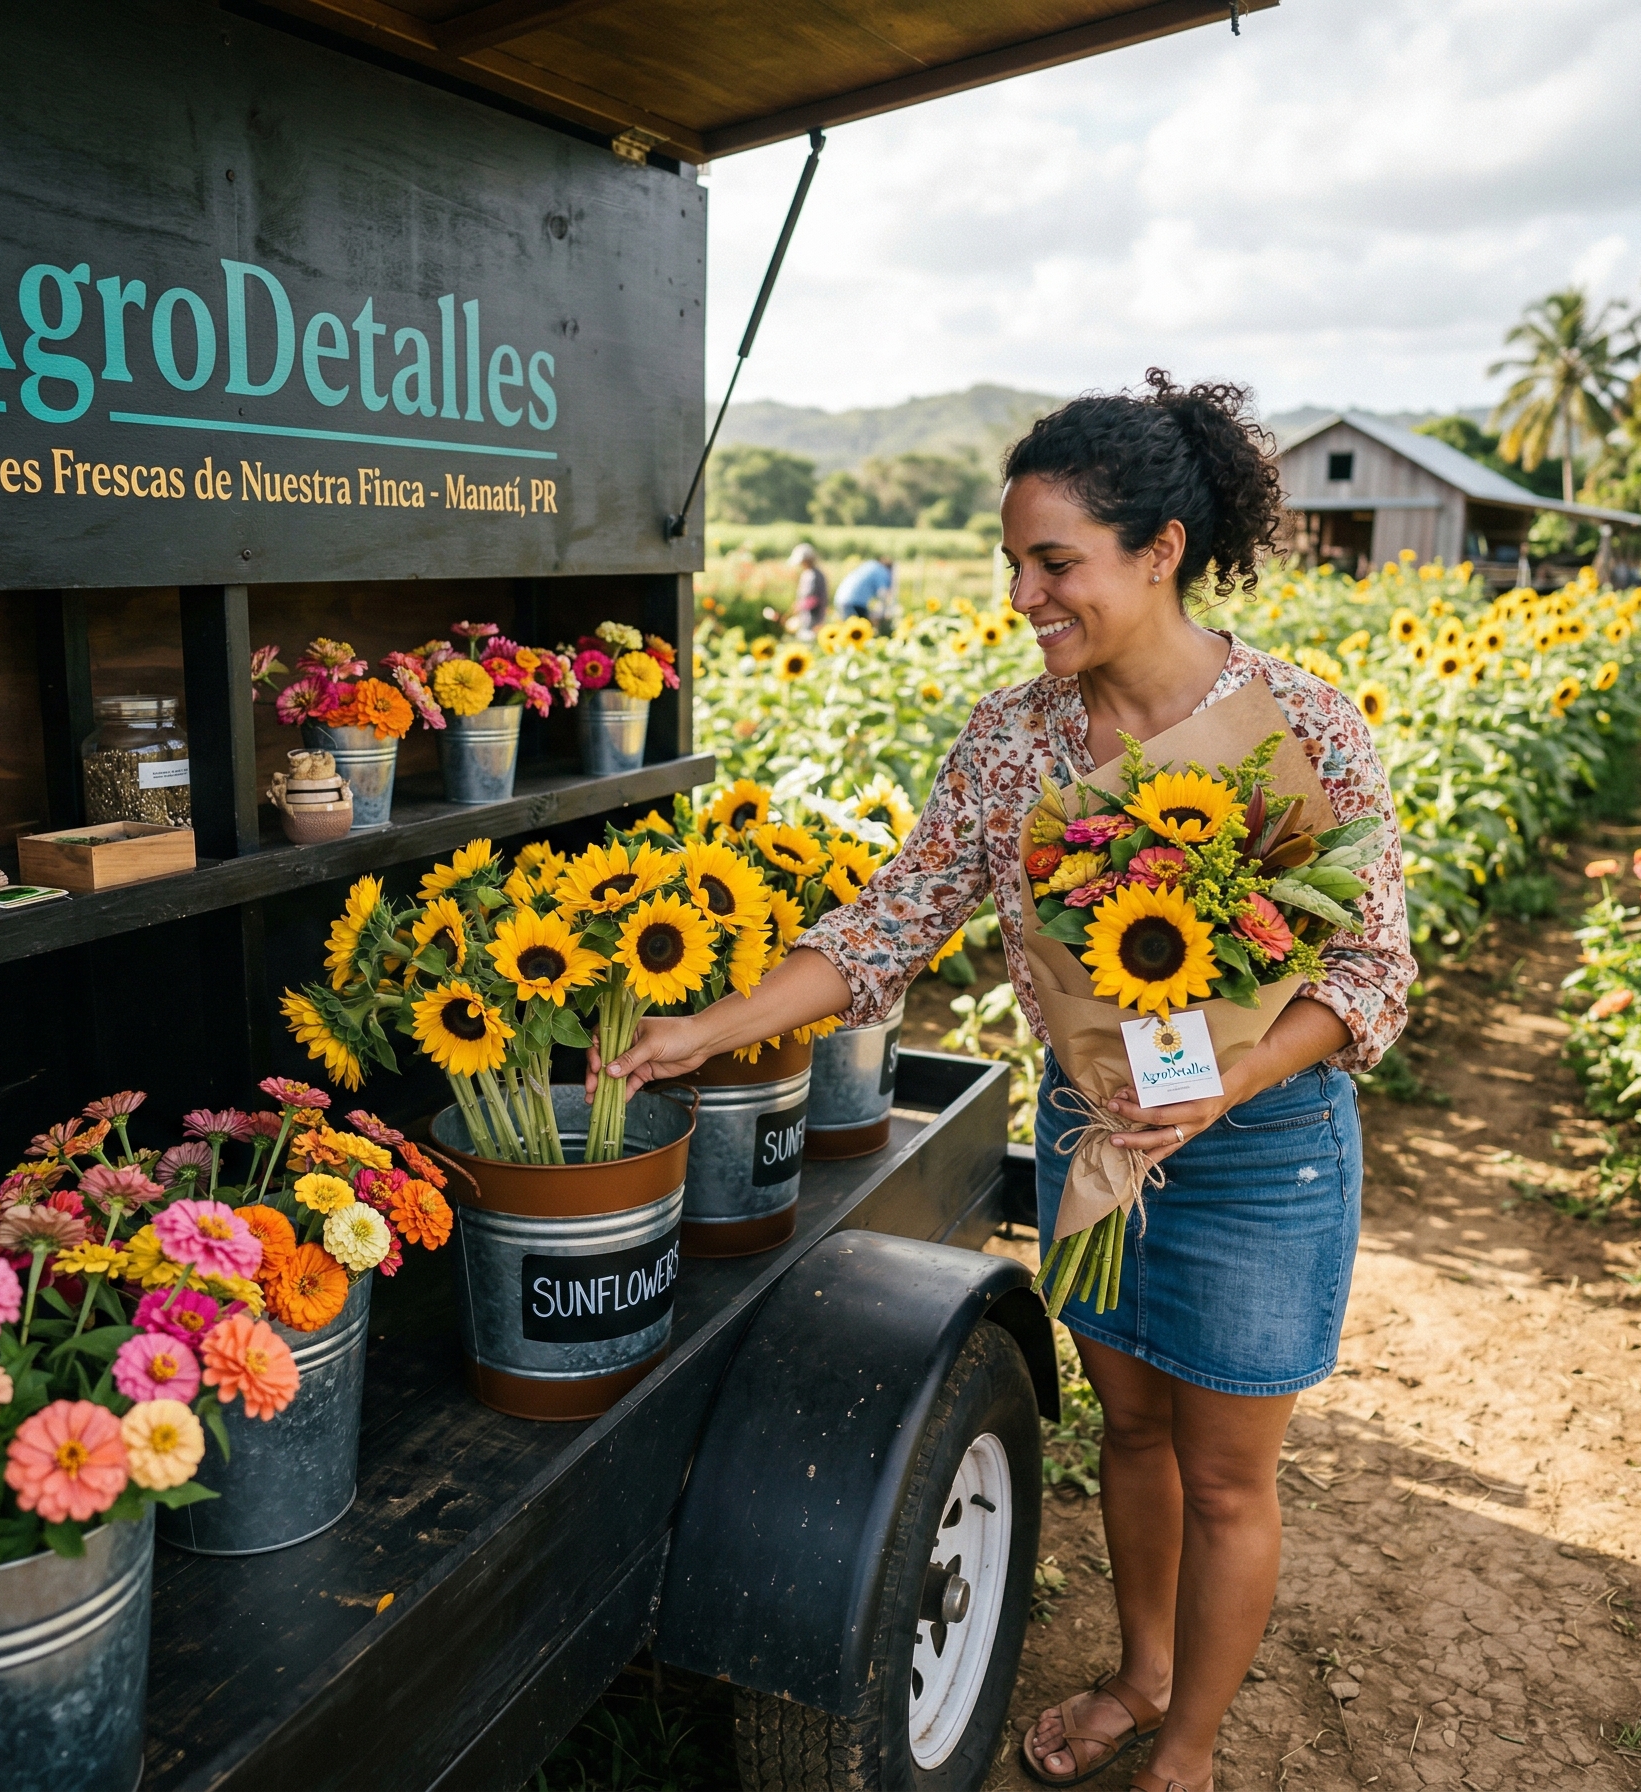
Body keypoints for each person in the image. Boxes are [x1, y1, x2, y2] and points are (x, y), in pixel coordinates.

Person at [590, 372, 1413, 1792]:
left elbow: (1374, 972)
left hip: (1257, 1148)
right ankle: (1142, 1676)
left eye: (1055, 562)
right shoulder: (1011, 740)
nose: (1025, 596)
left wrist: (1228, 1082)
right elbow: (893, 919)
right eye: (1013, 564)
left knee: (1227, 1476)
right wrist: (707, 1027)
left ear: (1159, 550)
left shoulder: (1305, 724)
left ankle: (1188, 1750)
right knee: (1132, 1431)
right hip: (1099, 1131)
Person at [835, 554, 896, 631]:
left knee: (849, 630)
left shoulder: (869, 565)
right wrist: (885, 611)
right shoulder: (881, 570)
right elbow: (882, 593)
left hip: (841, 599)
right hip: (854, 603)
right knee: (859, 630)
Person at [786, 543, 829, 634]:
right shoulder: (807, 573)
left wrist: (799, 606)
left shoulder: (814, 575)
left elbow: (814, 599)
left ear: (808, 560)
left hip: (814, 619)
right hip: (806, 617)